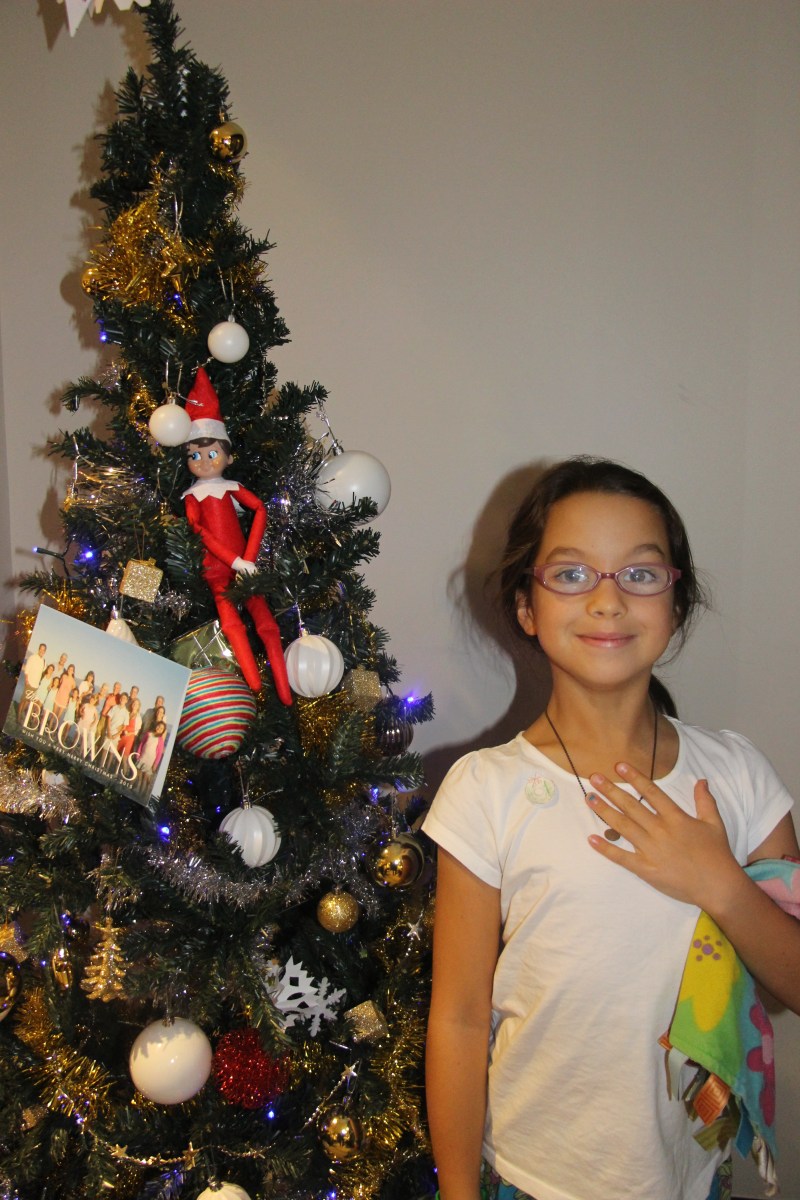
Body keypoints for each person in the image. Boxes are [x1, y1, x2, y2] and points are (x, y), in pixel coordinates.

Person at [424, 457, 800, 1200]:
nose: (607, 600)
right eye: (571, 574)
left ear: (676, 602)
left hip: (692, 1178)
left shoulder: (739, 776)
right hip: (530, 1178)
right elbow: (461, 1019)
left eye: (640, 574)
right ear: (527, 606)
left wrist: (721, 884)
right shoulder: (485, 789)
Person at [181, 366, 293, 704]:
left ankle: (284, 691)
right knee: (232, 622)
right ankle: (255, 687)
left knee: (267, 623)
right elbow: (198, 530)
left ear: (228, 456)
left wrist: (249, 558)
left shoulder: (231, 487)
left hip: (245, 565)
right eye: (195, 455)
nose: (204, 461)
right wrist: (236, 561)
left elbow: (260, 509)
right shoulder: (192, 497)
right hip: (218, 570)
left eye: (212, 453)